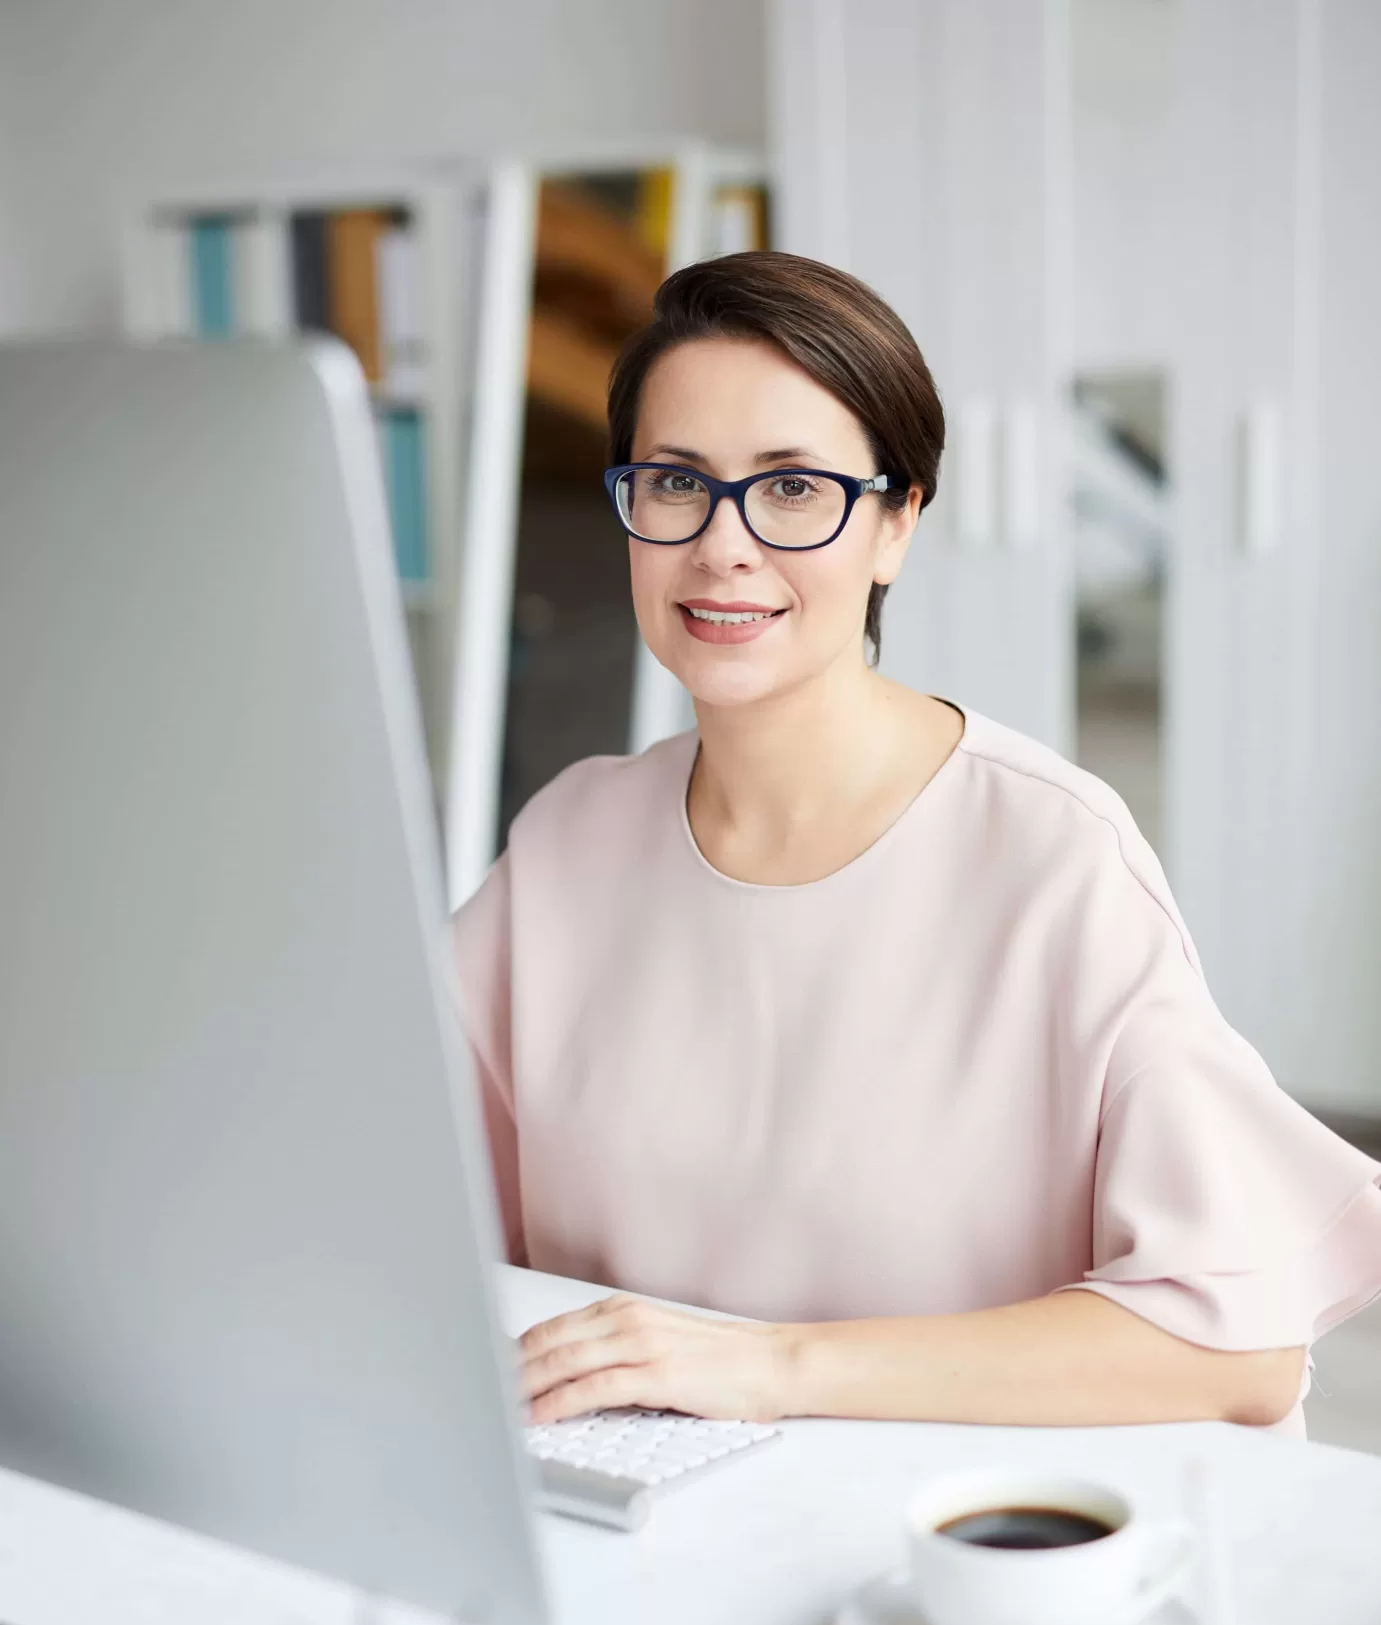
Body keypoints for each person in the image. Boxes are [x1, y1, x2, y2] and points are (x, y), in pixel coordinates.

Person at [452, 250, 1381, 1436]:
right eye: (676, 482)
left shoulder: (1053, 856)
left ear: (896, 523)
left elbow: (1235, 1342)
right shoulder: (568, 841)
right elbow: (395, 1182)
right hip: (627, 1524)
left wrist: (766, 1369)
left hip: (937, 1548)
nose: (722, 545)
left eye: (793, 490)